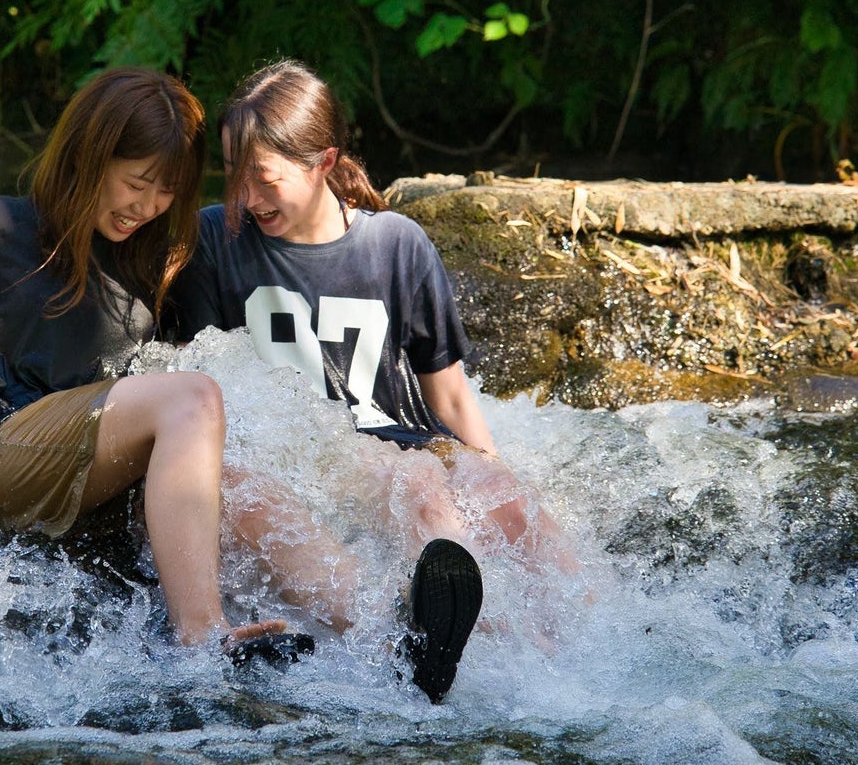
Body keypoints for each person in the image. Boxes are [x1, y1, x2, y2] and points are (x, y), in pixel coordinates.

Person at [167, 60, 578, 699]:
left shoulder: (397, 246)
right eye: (235, 176)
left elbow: (448, 396)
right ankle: (470, 653)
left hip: (401, 444)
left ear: (324, 160)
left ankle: (586, 643)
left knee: (497, 491)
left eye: (265, 178)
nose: (248, 197)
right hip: (308, 458)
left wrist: (493, 471)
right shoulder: (215, 244)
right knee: (414, 481)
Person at [0, 67, 303, 661]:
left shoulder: (153, 262)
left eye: (168, 194)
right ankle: (203, 635)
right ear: (89, 153)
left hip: (97, 487)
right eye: (138, 182)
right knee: (193, 397)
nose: (150, 207)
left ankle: (383, 626)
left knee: (246, 495)